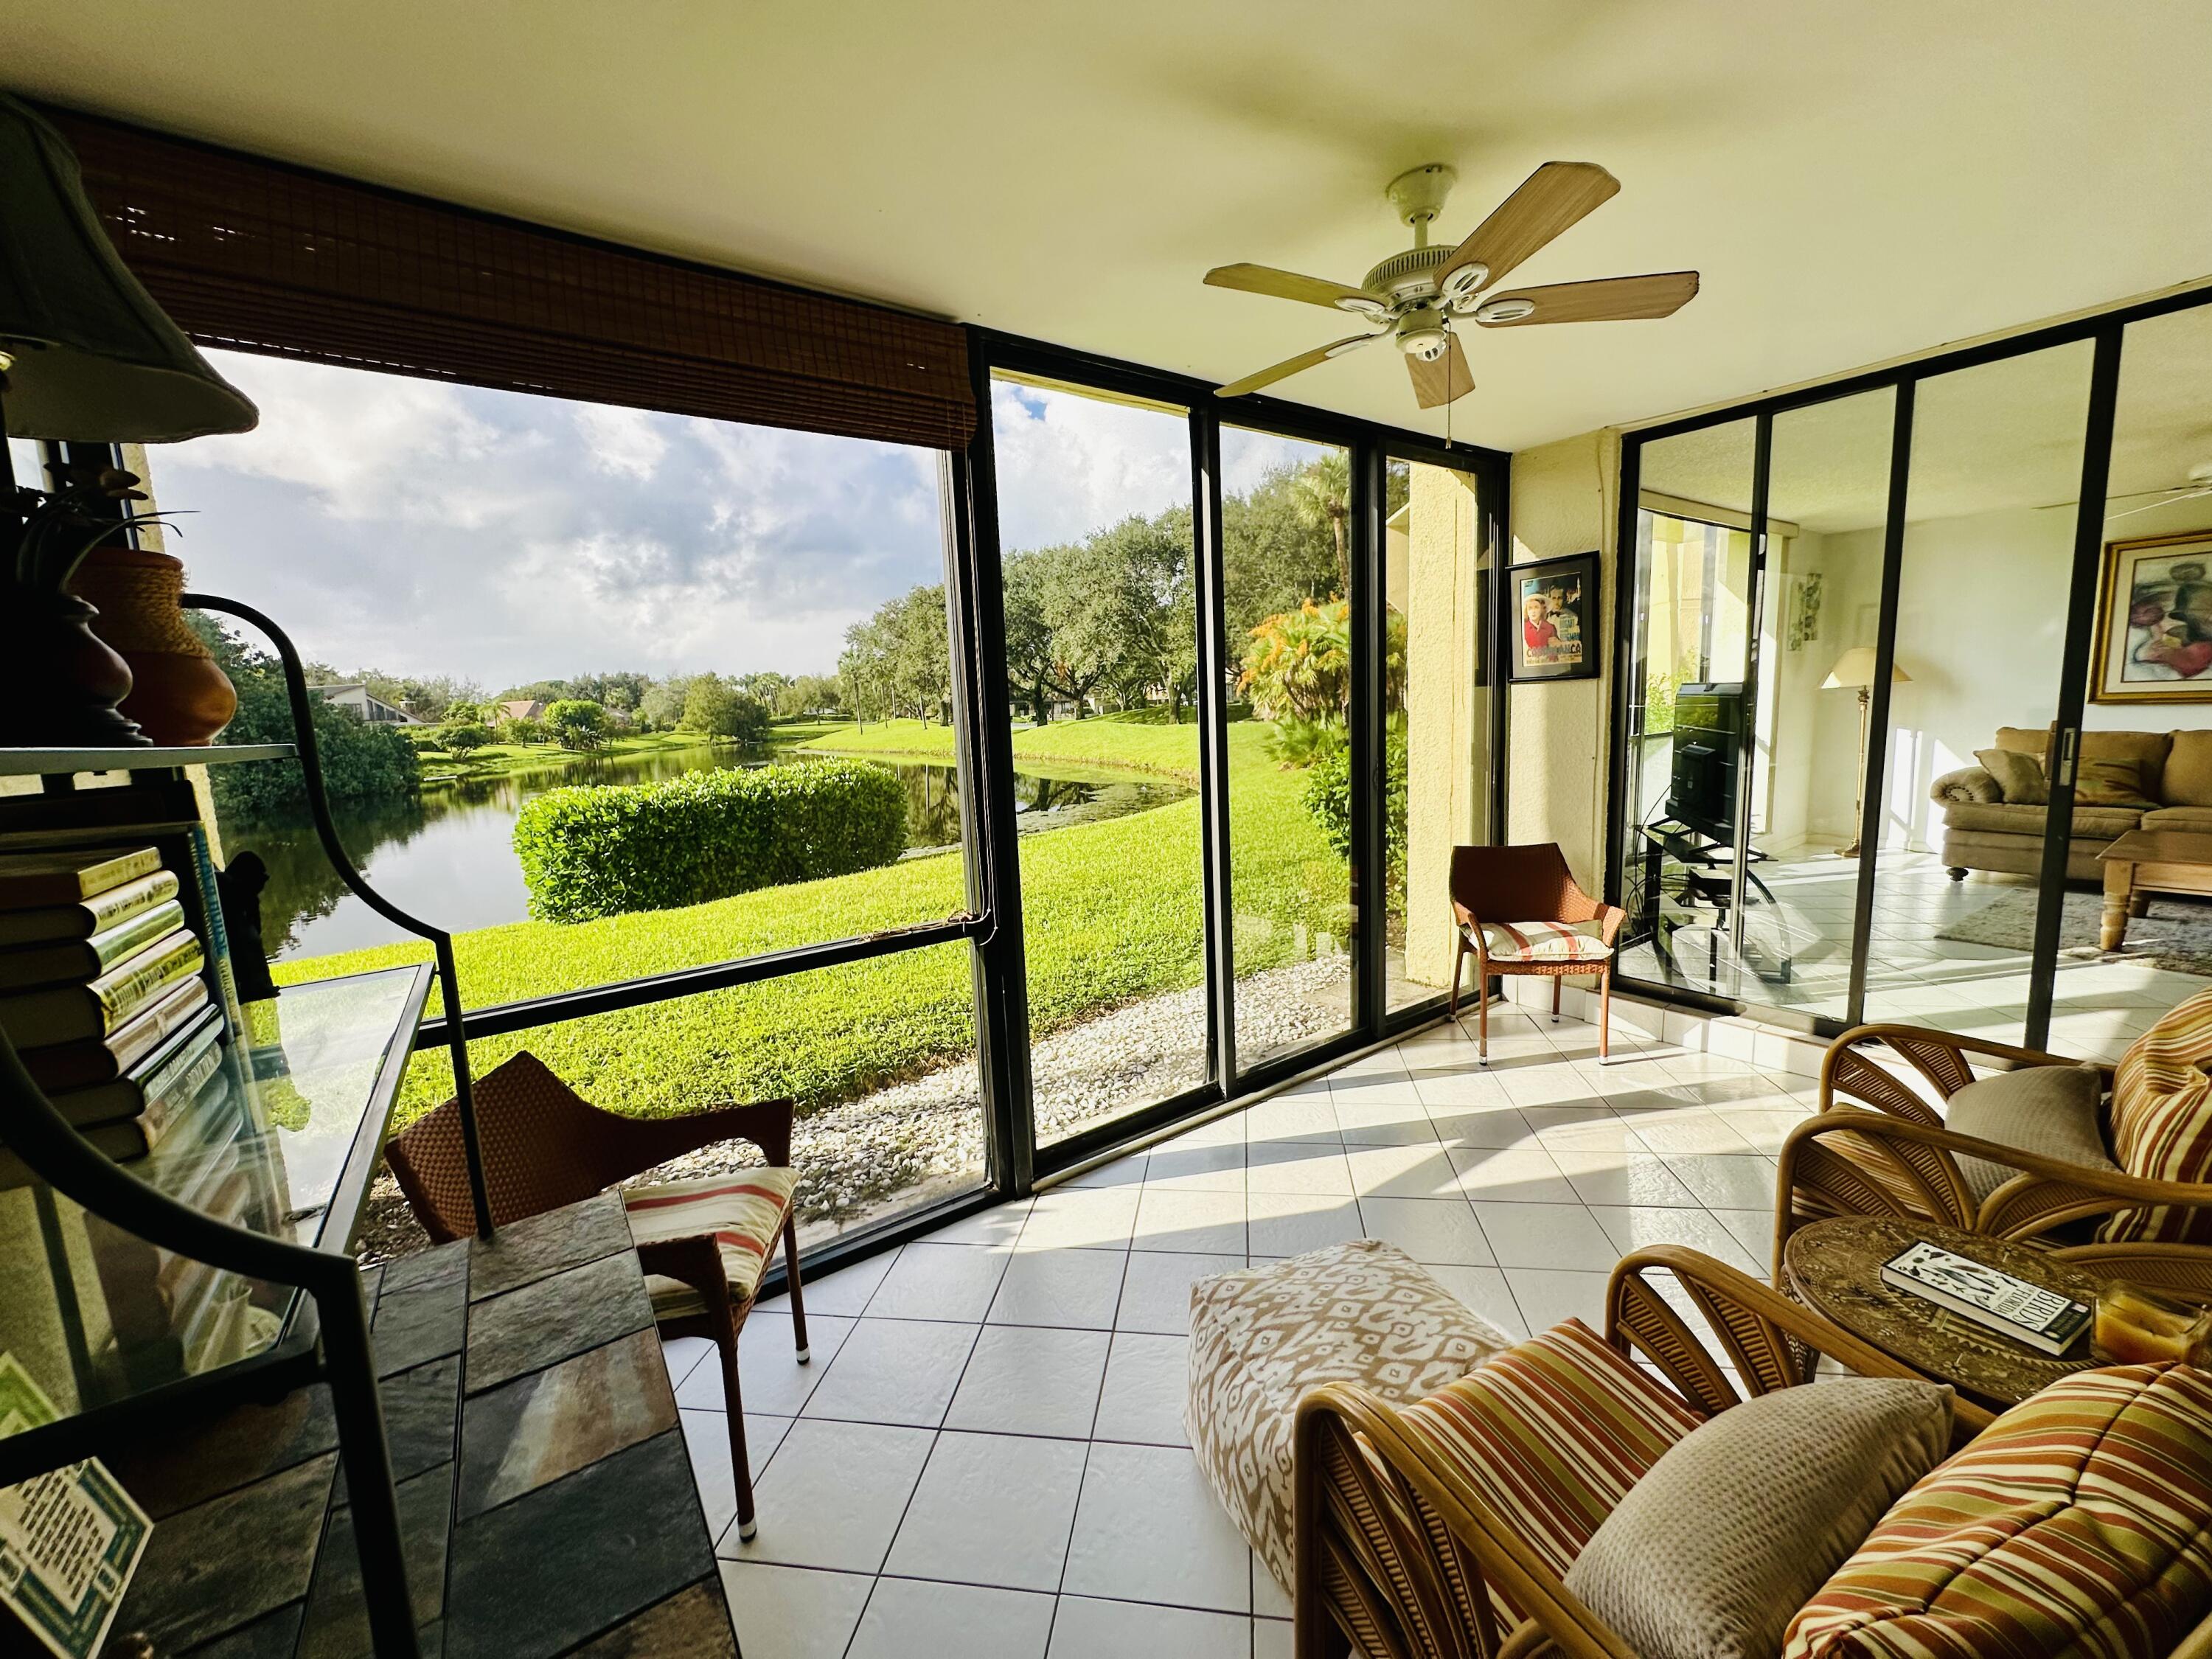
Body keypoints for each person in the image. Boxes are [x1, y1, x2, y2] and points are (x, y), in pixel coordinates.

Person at [1523, 592, 1560, 662]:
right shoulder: (1523, 628)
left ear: (1542, 609)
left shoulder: (1550, 628)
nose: (1533, 611)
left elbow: (1554, 656)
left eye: (1536, 607)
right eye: (1530, 608)